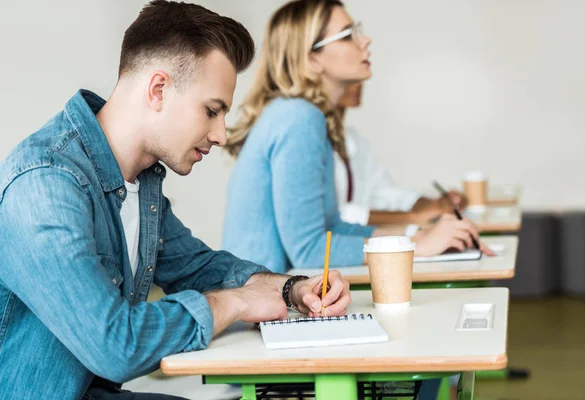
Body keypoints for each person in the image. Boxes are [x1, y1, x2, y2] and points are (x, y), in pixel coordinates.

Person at [0, 2, 350, 399]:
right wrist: (230, 304)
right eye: (211, 111)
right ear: (158, 89)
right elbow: (115, 346)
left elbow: (201, 267)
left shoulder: (138, 183)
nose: (221, 134)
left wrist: (293, 289)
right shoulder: (45, 184)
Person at [222, 0, 491, 274]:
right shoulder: (299, 118)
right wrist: (415, 245)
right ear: (313, 58)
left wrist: (416, 235)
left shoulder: (304, 114)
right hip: (258, 310)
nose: (365, 40)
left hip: (278, 295)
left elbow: (332, 228)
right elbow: (308, 250)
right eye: (348, 35)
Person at [335, 83, 466, 227]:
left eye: (359, 79)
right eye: (347, 78)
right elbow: (329, 214)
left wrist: (435, 204)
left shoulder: (354, 139)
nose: (357, 84)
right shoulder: (311, 140)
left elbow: (385, 193)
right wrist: (412, 217)